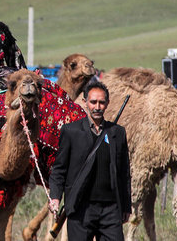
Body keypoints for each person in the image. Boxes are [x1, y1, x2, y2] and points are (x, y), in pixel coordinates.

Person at [48, 81, 131, 241]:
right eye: (93, 102)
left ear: (107, 103)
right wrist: (56, 196)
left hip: (111, 210)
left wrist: (126, 206)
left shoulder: (117, 133)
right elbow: (59, 169)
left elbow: (124, 172)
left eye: (101, 102)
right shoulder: (71, 131)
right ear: (85, 102)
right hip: (80, 208)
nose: (97, 107)